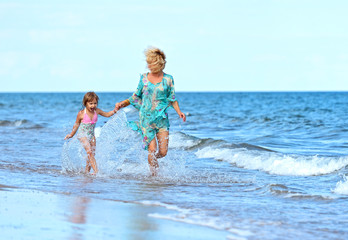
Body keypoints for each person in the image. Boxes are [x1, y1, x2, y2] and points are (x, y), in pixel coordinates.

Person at [115, 47, 186, 175]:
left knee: (163, 152)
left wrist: (179, 112)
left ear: (158, 63)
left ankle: (151, 161)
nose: (147, 65)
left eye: (150, 62)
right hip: (146, 119)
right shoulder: (144, 78)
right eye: (147, 62)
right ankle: (154, 176)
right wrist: (123, 104)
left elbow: (172, 99)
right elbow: (135, 96)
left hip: (161, 120)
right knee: (152, 150)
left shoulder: (168, 79)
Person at [65, 92, 116, 174]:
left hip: (92, 136)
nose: (93, 106)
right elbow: (76, 124)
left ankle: (87, 172)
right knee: (89, 152)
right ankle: (96, 171)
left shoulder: (97, 111)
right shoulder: (81, 113)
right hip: (82, 135)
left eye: (95, 103)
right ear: (85, 103)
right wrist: (71, 134)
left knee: (92, 154)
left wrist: (115, 110)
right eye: (90, 103)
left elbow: (107, 114)